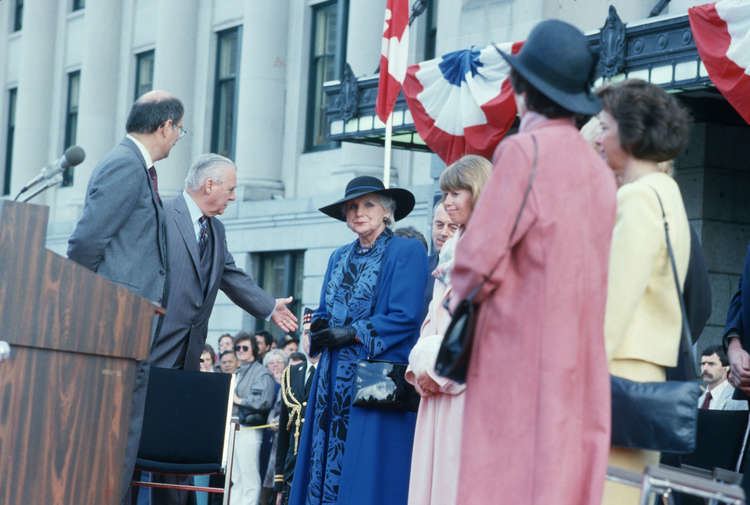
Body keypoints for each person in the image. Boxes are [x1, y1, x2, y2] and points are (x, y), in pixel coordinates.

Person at [449, 20, 616, 505]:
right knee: (561, 483)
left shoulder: (524, 152)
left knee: (504, 481)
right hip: (581, 356)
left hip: (517, 354)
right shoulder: (598, 171)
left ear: (523, 91)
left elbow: (475, 261)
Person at [67, 90, 185, 505]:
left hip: (131, 326)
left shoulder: (137, 166)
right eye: (179, 130)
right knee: (110, 436)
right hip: (113, 325)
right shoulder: (124, 165)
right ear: (165, 125)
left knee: (122, 436)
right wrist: (94, 301)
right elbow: (85, 241)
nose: (177, 138)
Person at [289, 176, 429, 505]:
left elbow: (405, 315)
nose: (357, 212)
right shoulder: (338, 257)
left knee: (368, 467)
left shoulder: (405, 251)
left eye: (368, 204)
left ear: (387, 211)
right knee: (323, 461)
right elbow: (324, 309)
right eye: (351, 206)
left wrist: (353, 332)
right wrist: (321, 327)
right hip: (330, 378)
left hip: (373, 377)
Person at [595, 79, 692, 504]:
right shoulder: (666, 190)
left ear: (630, 133)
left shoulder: (637, 197)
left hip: (617, 372)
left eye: (604, 126)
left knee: (609, 492)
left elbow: (614, 303)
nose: (598, 136)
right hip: (642, 375)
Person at [153, 154, 297, 372]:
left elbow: (230, 275)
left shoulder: (216, 230)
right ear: (209, 185)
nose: (233, 197)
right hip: (152, 348)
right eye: (230, 189)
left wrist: (269, 306)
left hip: (189, 355)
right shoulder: (160, 216)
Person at [406, 155, 491, 505]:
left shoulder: (489, 248)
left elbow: (482, 325)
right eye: (445, 194)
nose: (449, 202)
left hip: (464, 384)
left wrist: (439, 370)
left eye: (459, 192)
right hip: (436, 383)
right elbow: (431, 321)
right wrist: (422, 365)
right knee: (431, 478)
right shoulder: (452, 251)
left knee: (454, 482)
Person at [275, 309, 319, 505]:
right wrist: (279, 479)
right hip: (292, 469)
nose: (310, 339)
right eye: (306, 333)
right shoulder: (291, 373)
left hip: (316, 468)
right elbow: (284, 432)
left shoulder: (332, 373)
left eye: (315, 333)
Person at [232, 332, 276, 505]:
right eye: (238, 348)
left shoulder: (261, 373)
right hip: (234, 427)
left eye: (245, 347)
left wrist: (239, 400)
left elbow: (263, 400)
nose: (240, 351)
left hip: (249, 429)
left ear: (254, 350)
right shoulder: (239, 371)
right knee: (235, 476)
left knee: (249, 476)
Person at [698, 345, 748, 410]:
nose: (705, 368)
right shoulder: (698, 399)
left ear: (727, 368)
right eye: (703, 364)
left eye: (711, 364)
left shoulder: (738, 399)